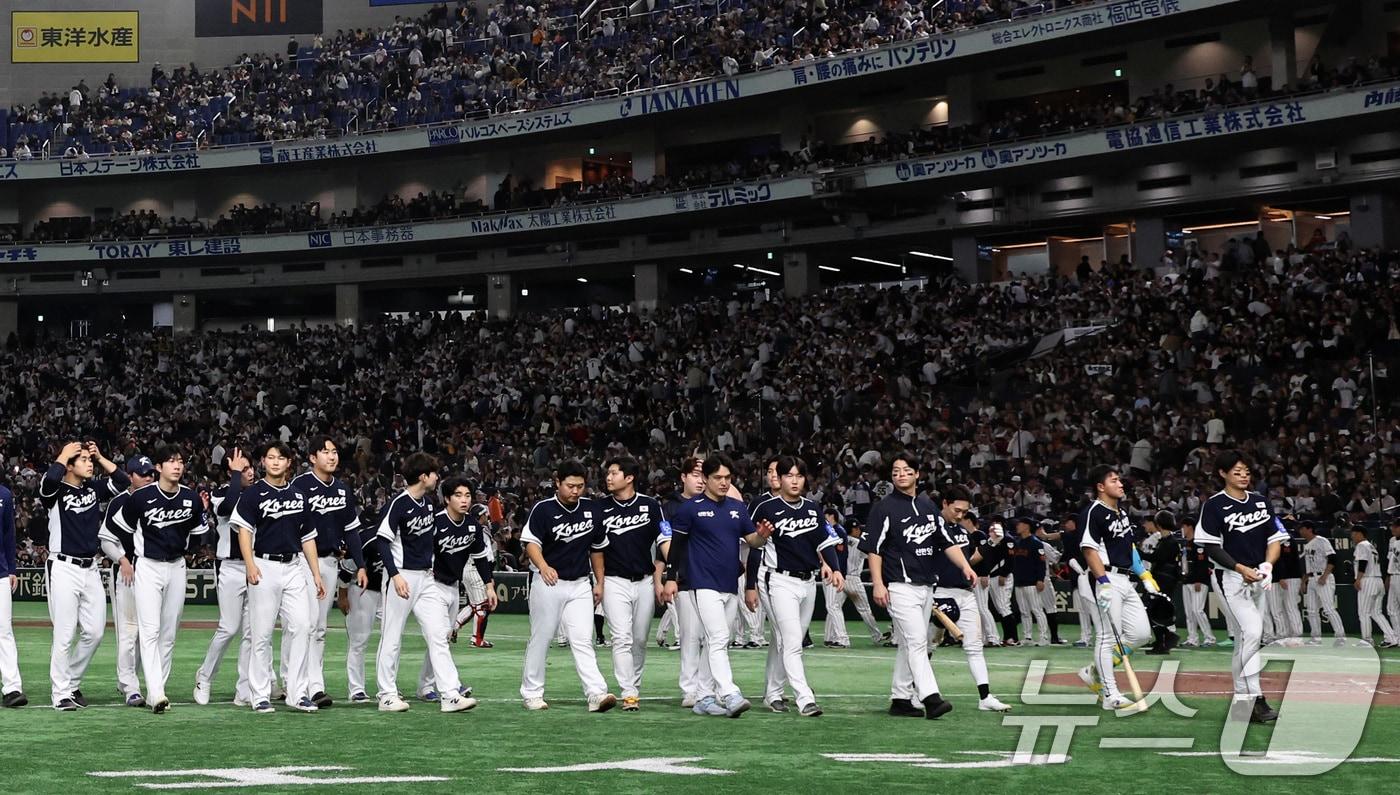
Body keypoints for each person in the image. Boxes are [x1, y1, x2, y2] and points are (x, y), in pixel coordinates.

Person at [861, 453, 975, 720]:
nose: (901, 474)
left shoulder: (927, 507)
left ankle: (901, 699)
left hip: (926, 587)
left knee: (909, 645)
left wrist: (966, 567)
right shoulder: (884, 508)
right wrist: (878, 583)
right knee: (916, 642)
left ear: (917, 475)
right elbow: (874, 550)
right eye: (896, 470)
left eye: (906, 470)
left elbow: (947, 542)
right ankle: (931, 698)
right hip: (900, 586)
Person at [663, 454, 772, 718]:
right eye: (718, 478)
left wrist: (762, 536)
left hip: (729, 583)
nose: (724, 483)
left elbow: (752, 541)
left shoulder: (737, 507)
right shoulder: (690, 509)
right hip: (702, 584)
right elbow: (676, 546)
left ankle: (703, 697)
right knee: (720, 637)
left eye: (727, 478)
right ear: (705, 479)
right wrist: (670, 577)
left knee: (714, 641)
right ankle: (729, 692)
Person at [372, 453, 475, 713]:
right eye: (433, 473)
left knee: (438, 634)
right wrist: (395, 575)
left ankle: (450, 695)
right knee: (392, 637)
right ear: (423, 476)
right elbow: (382, 540)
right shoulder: (398, 504)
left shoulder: (428, 504)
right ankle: (386, 695)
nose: (437, 477)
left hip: (425, 577)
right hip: (402, 576)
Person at [231, 442, 326, 714]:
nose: (275, 462)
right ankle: (259, 694)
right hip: (263, 564)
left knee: (302, 627)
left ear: (288, 463)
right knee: (261, 634)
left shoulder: (298, 495)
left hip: (294, 566)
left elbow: (308, 537)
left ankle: (297, 693)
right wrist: (250, 565)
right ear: (263, 462)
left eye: (280, 458)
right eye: (270, 457)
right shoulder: (253, 494)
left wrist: (316, 574)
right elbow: (244, 531)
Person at [113, 445, 207, 714]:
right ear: (159, 467)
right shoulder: (140, 497)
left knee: (169, 633)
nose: (177, 466)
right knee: (150, 630)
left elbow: (200, 533)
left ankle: (159, 689)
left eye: (180, 462)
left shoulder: (191, 498)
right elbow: (122, 529)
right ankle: (155, 692)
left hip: (177, 566)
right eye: (170, 461)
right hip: (148, 566)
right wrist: (127, 558)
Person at [1194, 450, 1287, 723]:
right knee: (1253, 632)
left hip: (1259, 576)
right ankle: (1256, 700)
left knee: (1244, 640)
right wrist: (1239, 568)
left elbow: (1275, 538)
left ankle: (1241, 703)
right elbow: (1210, 546)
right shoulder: (1214, 505)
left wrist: (1268, 565)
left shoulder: (1260, 502)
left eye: (1246, 471)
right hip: (1230, 578)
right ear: (1223, 474)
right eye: (1237, 472)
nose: (1244, 476)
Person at [518, 459, 617, 713]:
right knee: (541, 637)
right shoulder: (543, 509)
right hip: (549, 582)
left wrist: (600, 582)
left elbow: (597, 549)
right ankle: (532, 692)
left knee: (583, 639)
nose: (575, 491)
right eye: (570, 486)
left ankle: (596, 693)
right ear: (557, 483)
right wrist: (543, 566)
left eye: (580, 486)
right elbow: (530, 543)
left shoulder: (591, 509)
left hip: (580, 583)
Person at [745, 456, 841, 717]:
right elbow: (751, 542)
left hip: (808, 581)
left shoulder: (812, 508)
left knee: (788, 640)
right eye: (789, 475)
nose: (794, 480)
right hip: (778, 579)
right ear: (781, 478)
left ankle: (774, 692)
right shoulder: (765, 507)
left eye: (799, 476)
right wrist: (750, 583)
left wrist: (835, 568)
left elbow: (824, 541)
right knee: (791, 641)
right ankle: (804, 697)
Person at [40, 441, 129, 710]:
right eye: (84, 460)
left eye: (89, 460)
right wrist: (65, 454)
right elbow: (47, 484)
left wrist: (100, 456)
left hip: (90, 568)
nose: (89, 464)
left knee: (94, 632)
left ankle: (71, 682)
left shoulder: (92, 488)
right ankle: (60, 694)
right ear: (69, 465)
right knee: (65, 634)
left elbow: (122, 481)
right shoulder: (55, 490)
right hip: (63, 566)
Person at [291, 436, 365, 708]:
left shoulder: (342, 489)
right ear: (312, 457)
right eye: (325, 452)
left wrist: (361, 564)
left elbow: (352, 530)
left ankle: (315, 685)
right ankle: (293, 682)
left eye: (334, 452)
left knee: (319, 627)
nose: (332, 457)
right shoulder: (299, 486)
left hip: (330, 562)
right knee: (301, 625)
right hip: (300, 561)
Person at [1076, 465, 1154, 713]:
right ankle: (1110, 694)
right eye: (1114, 480)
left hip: (1125, 579)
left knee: (1141, 633)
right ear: (1101, 487)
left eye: (1120, 480)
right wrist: (1103, 582)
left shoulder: (1121, 513)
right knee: (1107, 636)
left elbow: (1129, 547)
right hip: (1104, 577)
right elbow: (1089, 549)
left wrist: (1144, 575)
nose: (1121, 484)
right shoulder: (1093, 512)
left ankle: (1094, 671)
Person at [931, 485, 1012, 712]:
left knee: (974, 646)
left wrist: (992, 543)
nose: (960, 515)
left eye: (964, 512)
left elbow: (970, 560)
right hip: (940, 592)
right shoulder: (931, 528)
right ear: (945, 503)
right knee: (927, 645)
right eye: (957, 510)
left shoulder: (960, 531)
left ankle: (985, 697)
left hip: (965, 593)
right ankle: (916, 692)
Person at [598, 456, 669, 712]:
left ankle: (634, 687)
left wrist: (671, 570)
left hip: (645, 581)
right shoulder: (600, 507)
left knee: (639, 639)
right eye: (608, 472)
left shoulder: (651, 505)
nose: (609, 477)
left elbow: (665, 537)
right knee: (621, 638)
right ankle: (628, 692)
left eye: (614, 473)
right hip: (614, 581)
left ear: (629, 478)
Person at [415, 476, 491, 707]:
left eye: (467, 495)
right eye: (458, 495)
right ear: (447, 498)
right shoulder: (435, 522)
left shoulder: (472, 526)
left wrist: (489, 585)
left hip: (452, 588)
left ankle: (425, 686)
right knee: (438, 638)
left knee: (442, 639)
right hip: (429, 585)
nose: (464, 500)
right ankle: (451, 690)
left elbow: (480, 558)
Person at [193, 449, 256, 705]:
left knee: (253, 631)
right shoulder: (219, 492)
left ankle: (245, 689)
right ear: (231, 469)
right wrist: (236, 474)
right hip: (229, 567)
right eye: (244, 467)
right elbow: (229, 506)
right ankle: (205, 676)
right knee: (229, 627)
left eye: (250, 467)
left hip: (255, 566)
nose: (249, 471)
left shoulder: (258, 493)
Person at [97, 455, 157, 707]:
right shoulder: (119, 501)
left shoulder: (159, 497)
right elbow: (106, 539)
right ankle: (130, 686)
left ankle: (141, 681)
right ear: (130, 476)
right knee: (129, 631)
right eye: (143, 473)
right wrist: (122, 560)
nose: (149, 477)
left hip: (153, 571)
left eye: (151, 473)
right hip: (128, 571)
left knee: (152, 632)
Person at [822, 511, 886, 647]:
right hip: (853, 579)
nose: (858, 531)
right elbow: (871, 555)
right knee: (864, 610)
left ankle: (830, 636)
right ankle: (877, 636)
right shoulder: (859, 542)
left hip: (840, 577)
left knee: (833, 607)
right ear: (854, 529)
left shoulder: (838, 537)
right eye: (857, 529)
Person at [341, 522, 383, 703]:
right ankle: (356, 689)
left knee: (392, 640)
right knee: (359, 641)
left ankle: (388, 687)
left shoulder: (407, 536)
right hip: (363, 592)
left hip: (389, 593)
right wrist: (342, 595)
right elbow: (346, 569)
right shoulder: (368, 538)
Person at [451, 495, 496, 648]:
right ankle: (477, 639)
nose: (486, 516)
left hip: (465, 569)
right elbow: (487, 556)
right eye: (484, 514)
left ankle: (454, 627)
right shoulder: (481, 531)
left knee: (474, 605)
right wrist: (489, 577)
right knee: (482, 606)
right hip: (477, 569)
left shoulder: (463, 527)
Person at [1351, 525, 1399, 648]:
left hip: (1367, 580)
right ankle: (1392, 638)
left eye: (1354, 533)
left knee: (1364, 612)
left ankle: (1367, 640)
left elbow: (1363, 562)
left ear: (1360, 534)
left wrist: (1358, 579)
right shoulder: (1371, 546)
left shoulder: (1361, 545)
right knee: (1376, 612)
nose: (1352, 536)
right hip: (1378, 581)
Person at [1299, 523, 1347, 646]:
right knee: (1311, 610)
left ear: (1309, 529)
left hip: (1323, 576)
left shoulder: (1321, 540)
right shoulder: (1307, 545)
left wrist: (1325, 575)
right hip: (1312, 578)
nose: (1300, 531)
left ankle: (1341, 637)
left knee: (1329, 608)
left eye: (1302, 528)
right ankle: (1316, 638)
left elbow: (1332, 558)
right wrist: (1304, 581)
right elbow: (1308, 567)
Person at [0, 473, 23, 708]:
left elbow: (8, 534)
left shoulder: (4, 495)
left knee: (4, 630)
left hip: (0, 572)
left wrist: (12, 569)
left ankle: (12, 687)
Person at [1145, 511, 1182, 654]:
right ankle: (1162, 640)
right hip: (1164, 579)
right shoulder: (1168, 541)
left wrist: (1139, 554)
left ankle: (1165, 638)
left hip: (1163, 580)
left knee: (1154, 611)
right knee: (1155, 611)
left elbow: (1157, 558)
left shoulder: (1169, 542)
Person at [1010, 518, 1050, 646]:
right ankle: (1027, 637)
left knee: (1037, 610)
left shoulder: (1036, 543)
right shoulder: (1018, 542)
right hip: (1019, 581)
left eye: (1020, 523)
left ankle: (1044, 637)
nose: (1018, 525)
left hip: (1032, 582)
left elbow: (1041, 563)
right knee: (1024, 611)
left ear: (1027, 526)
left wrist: (1040, 579)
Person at [1180, 519, 1215, 647]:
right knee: (1189, 612)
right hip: (1186, 581)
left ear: (1190, 527)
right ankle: (1192, 638)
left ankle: (1209, 638)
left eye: (1183, 525)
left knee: (1198, 610)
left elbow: (1202, 563)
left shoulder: (1198, 543)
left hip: (1198, 581)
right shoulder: (1184, 543)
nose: (1182, 528)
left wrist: (1199, 579)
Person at [1268, 528, 1304, 643]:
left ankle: (1296, 634)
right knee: (1279, 608)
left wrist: (1281, 576)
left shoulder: (1285, 538)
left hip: (1289, 577)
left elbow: (1285, 559)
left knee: (1290, 606)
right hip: (1279, 578)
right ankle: (1283, 635)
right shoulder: (1274, 539)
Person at [1387, 520, 1400, 634]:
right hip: (1394, 576)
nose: (1393, 529)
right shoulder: (1392, 540)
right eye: (1392, 527)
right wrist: (1388, 577)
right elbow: (1390, 560)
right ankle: (1397, 636)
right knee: (1391, 609)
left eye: (1396, 527)